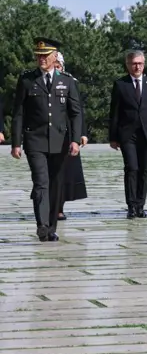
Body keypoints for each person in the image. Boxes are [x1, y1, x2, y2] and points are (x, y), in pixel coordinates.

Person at [10, 38, 82, 241]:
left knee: (56, 184)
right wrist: (16, 143)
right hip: (35, 140)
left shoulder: (66, 80)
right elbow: (18, 114)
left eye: (45, 55)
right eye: (38, 56)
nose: (41, 59)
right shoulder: (26, 80)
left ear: (54, 56)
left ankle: (52, 227)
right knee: (41, 182)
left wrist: (75, 140)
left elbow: (76, 113)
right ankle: (42, 225)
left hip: (60, 141)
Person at [109, 49, 147, 219]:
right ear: (128, 65)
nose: (137, 67)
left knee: (143, 170)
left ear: (144, 65)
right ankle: (131, 206)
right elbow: (115, 112)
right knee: (131, 168)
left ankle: (141, 205)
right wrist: (113, 137)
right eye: (134, 63)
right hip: (128, 135)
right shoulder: (121, 84)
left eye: (140, 63)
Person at [54, 53, 88, 220]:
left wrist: (81, 133)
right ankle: (51, 206)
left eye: (58, 65)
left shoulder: (70, 82)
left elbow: (78, 111)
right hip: (49, 132)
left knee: (66, 172)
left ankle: (59, 207)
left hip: (69, 134)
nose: (56, 69)